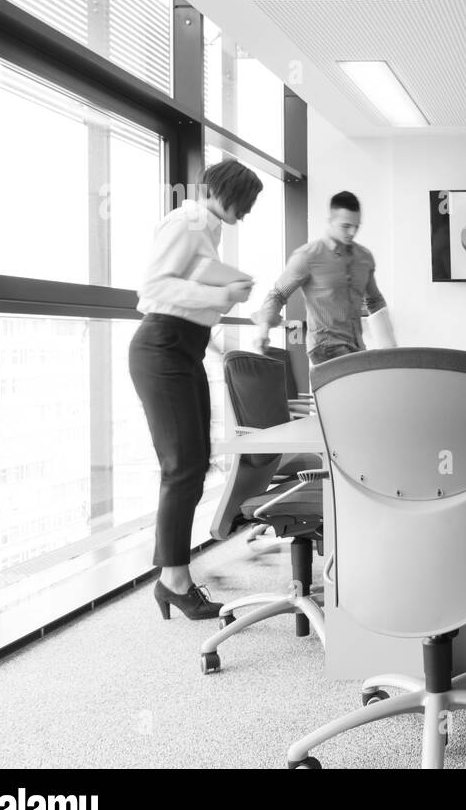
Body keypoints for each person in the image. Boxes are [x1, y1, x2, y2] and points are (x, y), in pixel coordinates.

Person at [130, 159, 263, 621]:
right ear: (224, 191)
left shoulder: (207, 228)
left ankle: (173, 575)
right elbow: (152, 287)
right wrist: (222, 296)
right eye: (244, 203)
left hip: (183, 348)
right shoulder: (187, 220)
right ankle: (173, 581)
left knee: (194, 463)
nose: (244, 214)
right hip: (161, 346)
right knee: (181, 467)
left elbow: (192, 283)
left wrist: (227, 290)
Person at [252, 191, 396, 365]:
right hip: (325, 347)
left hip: (356, 347)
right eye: (346, 226)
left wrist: (391, 351)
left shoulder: (364, 258)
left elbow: (375, 301)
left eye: (356, 226)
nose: (352, 232)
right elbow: (278, 295)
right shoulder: (308, 256)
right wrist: (263, 331)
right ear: (330, 221)